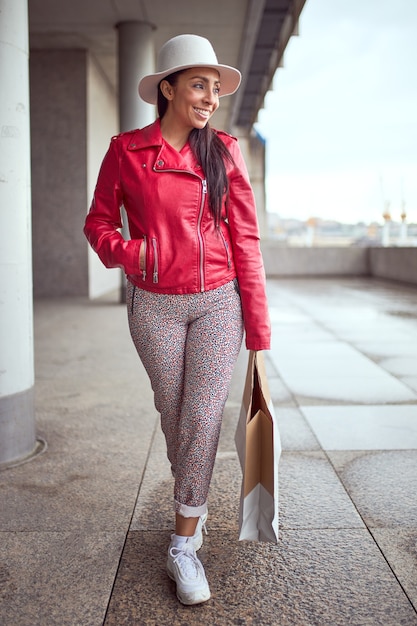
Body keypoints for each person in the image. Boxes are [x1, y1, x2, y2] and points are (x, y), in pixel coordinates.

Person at [84, 33, 271, 605]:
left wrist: (258, 331)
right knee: (176, 411)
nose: (210, 97)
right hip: (154, 304)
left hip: (219, 299)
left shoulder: (225, 151)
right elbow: (97, 225)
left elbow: (245, 237)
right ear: (167, 89)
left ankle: (183, 542)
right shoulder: (125, 150)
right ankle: (195, 493)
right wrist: (132, 253)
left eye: (215, 89)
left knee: (203, 412)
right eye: (198, 84)